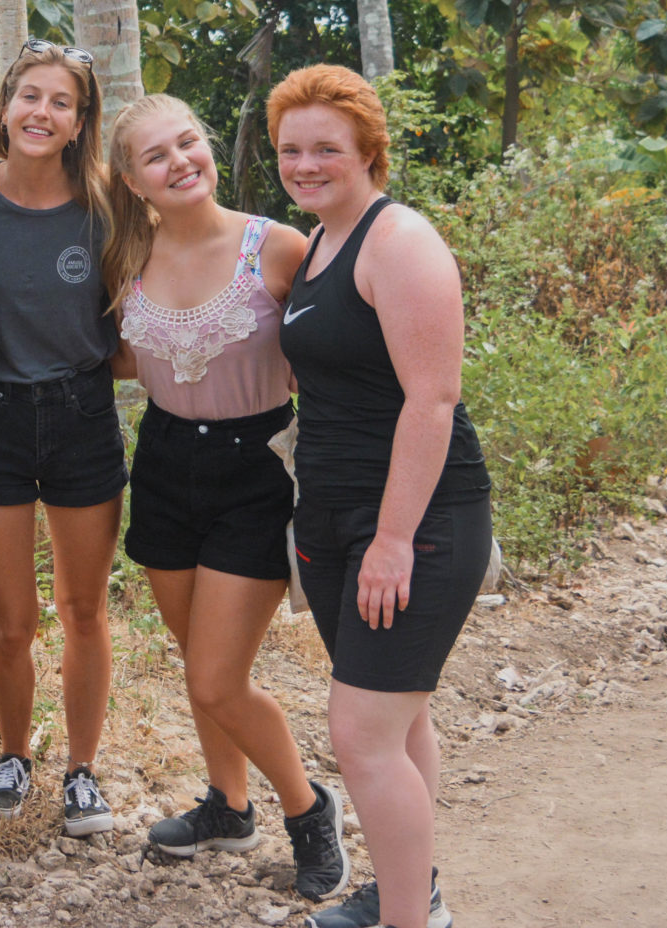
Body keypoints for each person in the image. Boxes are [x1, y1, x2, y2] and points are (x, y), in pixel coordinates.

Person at [103, 93, 352, 903]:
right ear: (132, 181)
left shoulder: (276, 248)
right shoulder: (125, 257)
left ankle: (310, 810)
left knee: (216, 677)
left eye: (188, 142)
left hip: (257, 469)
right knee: (195, 659)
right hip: (165, 464)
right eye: (156, 156)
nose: (180, 162)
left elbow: (341, 340)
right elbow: (116, 356)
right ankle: (227, 803)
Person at [270, 65, 491, 928]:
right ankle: (413, 891)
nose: (307, 163)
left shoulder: (397, 241)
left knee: (361, 736)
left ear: (368, 148)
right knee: (396, 722)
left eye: (327, 146)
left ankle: (409, 921)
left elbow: (432, 401)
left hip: (415, 519)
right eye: (292, 149)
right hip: (331, 513)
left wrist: (394, 538)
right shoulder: (319, 241)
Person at [0, 40, 127, 839]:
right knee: (11, 619)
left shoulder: (108, 207)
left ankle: (82, 770)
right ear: (6, 104)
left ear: (80, 120)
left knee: (85, 608)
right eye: (29, 95)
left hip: (83, 414)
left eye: (61, 102)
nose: (41, 112)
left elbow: (133, 319)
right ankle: (14, 754)